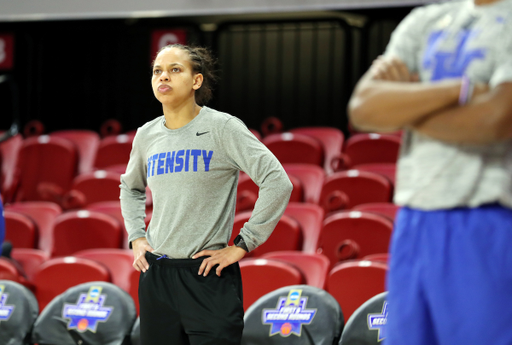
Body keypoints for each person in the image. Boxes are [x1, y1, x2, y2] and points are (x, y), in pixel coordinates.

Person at [348, 0, 512, 344]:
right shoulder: (426, 20)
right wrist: (461, 90)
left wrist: (405, 102)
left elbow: (497, 119)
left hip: (488, 216)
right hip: (414, 219)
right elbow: (364, 108)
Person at [120, 44, 293, 345]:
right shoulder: (146, 135)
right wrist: (136, 236)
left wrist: (242, 244)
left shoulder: (222, 127)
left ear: (196, 81)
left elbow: (278, 182)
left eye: (175, 70)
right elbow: (131, 187)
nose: (164, 77)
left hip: (207, 276)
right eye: (158, 71)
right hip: (157, 277)